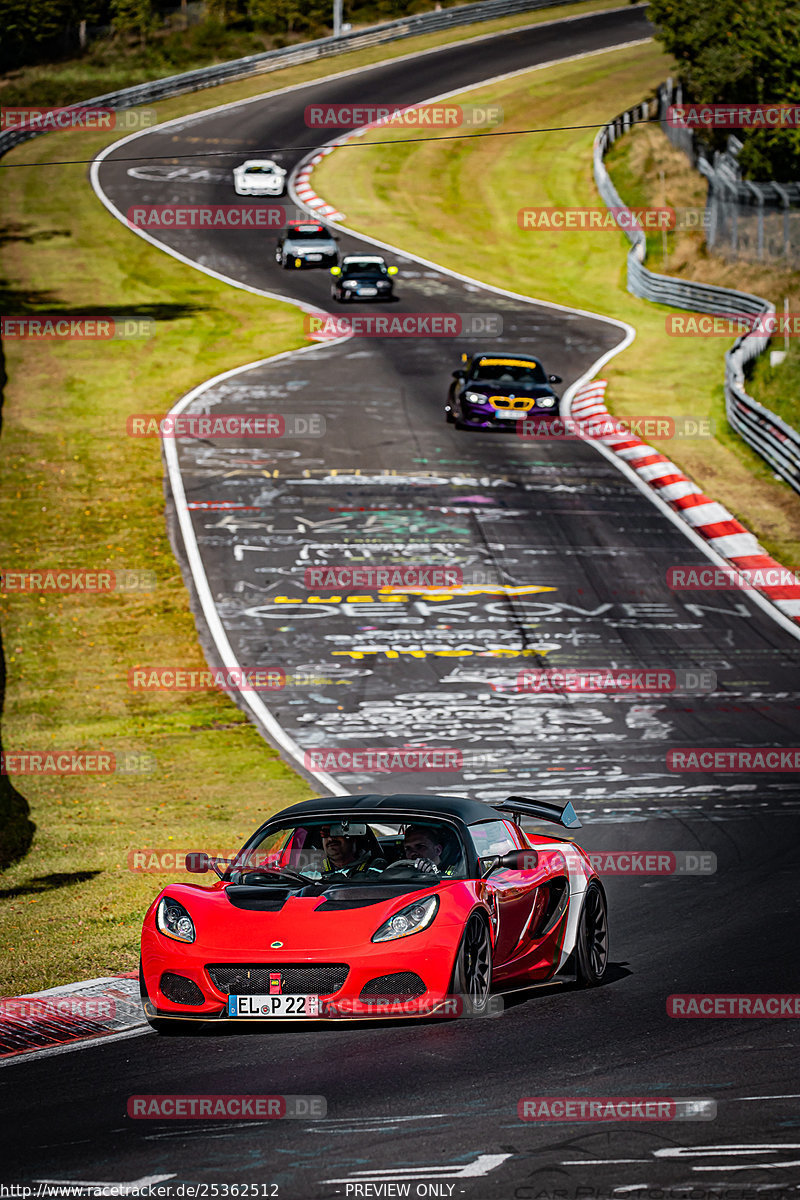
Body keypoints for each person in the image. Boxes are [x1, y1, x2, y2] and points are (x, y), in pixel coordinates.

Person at [320, 824, 384, 877]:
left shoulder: (374, 866)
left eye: (337, 832)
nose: (330, 838)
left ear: (354, 837)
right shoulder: (313, 870)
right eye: (325, 833)